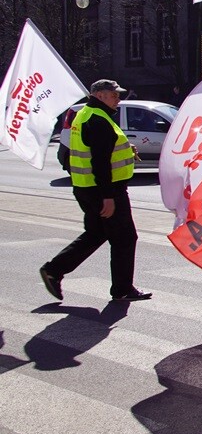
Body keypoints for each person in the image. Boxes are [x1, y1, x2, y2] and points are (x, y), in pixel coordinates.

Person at [39, 79, 151, 302]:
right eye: (114, 94)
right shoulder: (98, 120)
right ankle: (122, 289)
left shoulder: (86, 114)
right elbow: (100, 162)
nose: (118, 98)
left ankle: (54, 270)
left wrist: (125, 149)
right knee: (125, 238)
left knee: (96, 233)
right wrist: (108, 197)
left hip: (85, 187)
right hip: (105, 191)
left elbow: (91, 149)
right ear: (100, 95)